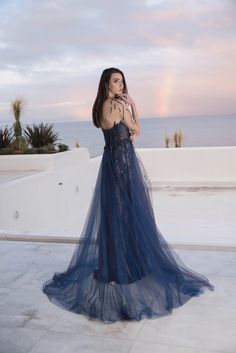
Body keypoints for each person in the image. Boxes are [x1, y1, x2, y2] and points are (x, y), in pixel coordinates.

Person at [42, 67, 215, 324]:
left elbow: (130, 132)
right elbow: (135, 130)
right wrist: (131, 107)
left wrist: (130, 115)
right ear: (106, 84)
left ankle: (117, 266)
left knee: (117, 214)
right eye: (116, 81)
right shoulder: (116, 106)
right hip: (122, 163)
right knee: (126, 214)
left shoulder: (101, 106)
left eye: (122, 82)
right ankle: (123, 268)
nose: (120, 85)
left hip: (114, 162)